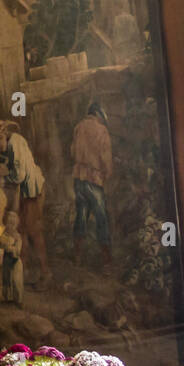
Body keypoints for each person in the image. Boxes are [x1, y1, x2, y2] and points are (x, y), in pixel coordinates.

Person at [0, 120, 51, 284]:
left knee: (33, 230)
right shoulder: (12, 142)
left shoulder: (15, 145)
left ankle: (45, 272)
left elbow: (20, 175)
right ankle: (23, 270)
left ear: (4, 135)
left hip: (33, 191)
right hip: (25, 191)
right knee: (21, 229)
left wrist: (4, 177)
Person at [71, 101, 113, 268]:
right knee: (101, 218)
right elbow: (106, 159)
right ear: (98, 114)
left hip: (78, 178)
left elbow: (72, 152)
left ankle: (77, 257)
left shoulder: (78, 127)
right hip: (94, 180)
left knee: (81, 216)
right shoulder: (102, 130)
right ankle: (107, 261)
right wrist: (108, 174)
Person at [0, 211, 24, 305]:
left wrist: (12, 249)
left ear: (16, 224)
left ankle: (18, 300)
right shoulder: (3, 235)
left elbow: (18, 250)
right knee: (6, 279)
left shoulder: (18, 236)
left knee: (16, 280)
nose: (11, 226)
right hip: (6, 259)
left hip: (16, 260)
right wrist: (7, 245)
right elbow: (1, 245)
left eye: (13, 223)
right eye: (9, 223)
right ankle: (7, 298)